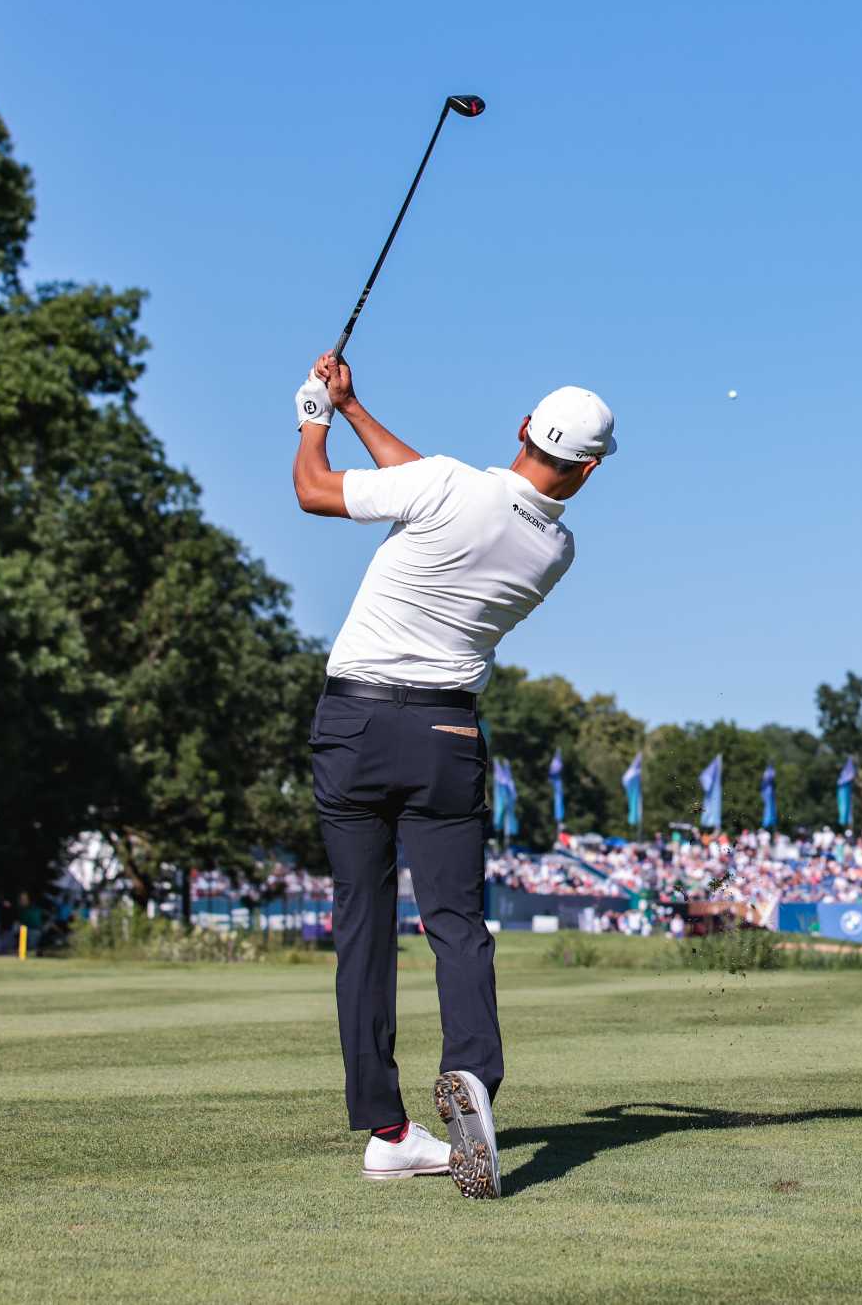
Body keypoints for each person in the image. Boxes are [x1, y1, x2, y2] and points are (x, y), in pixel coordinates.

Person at [293, 352, 615, 1200]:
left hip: (353, 722)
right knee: (455, 926)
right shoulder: (556, 547)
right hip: (443, 733)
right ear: (586, 469)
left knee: (362, 925)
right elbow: (433, 489)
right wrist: (357, 407)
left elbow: (316, 491)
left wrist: (314, 418)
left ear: (520, 427)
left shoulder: (444, 485)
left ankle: (388, 1131)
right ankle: (472, 1075)